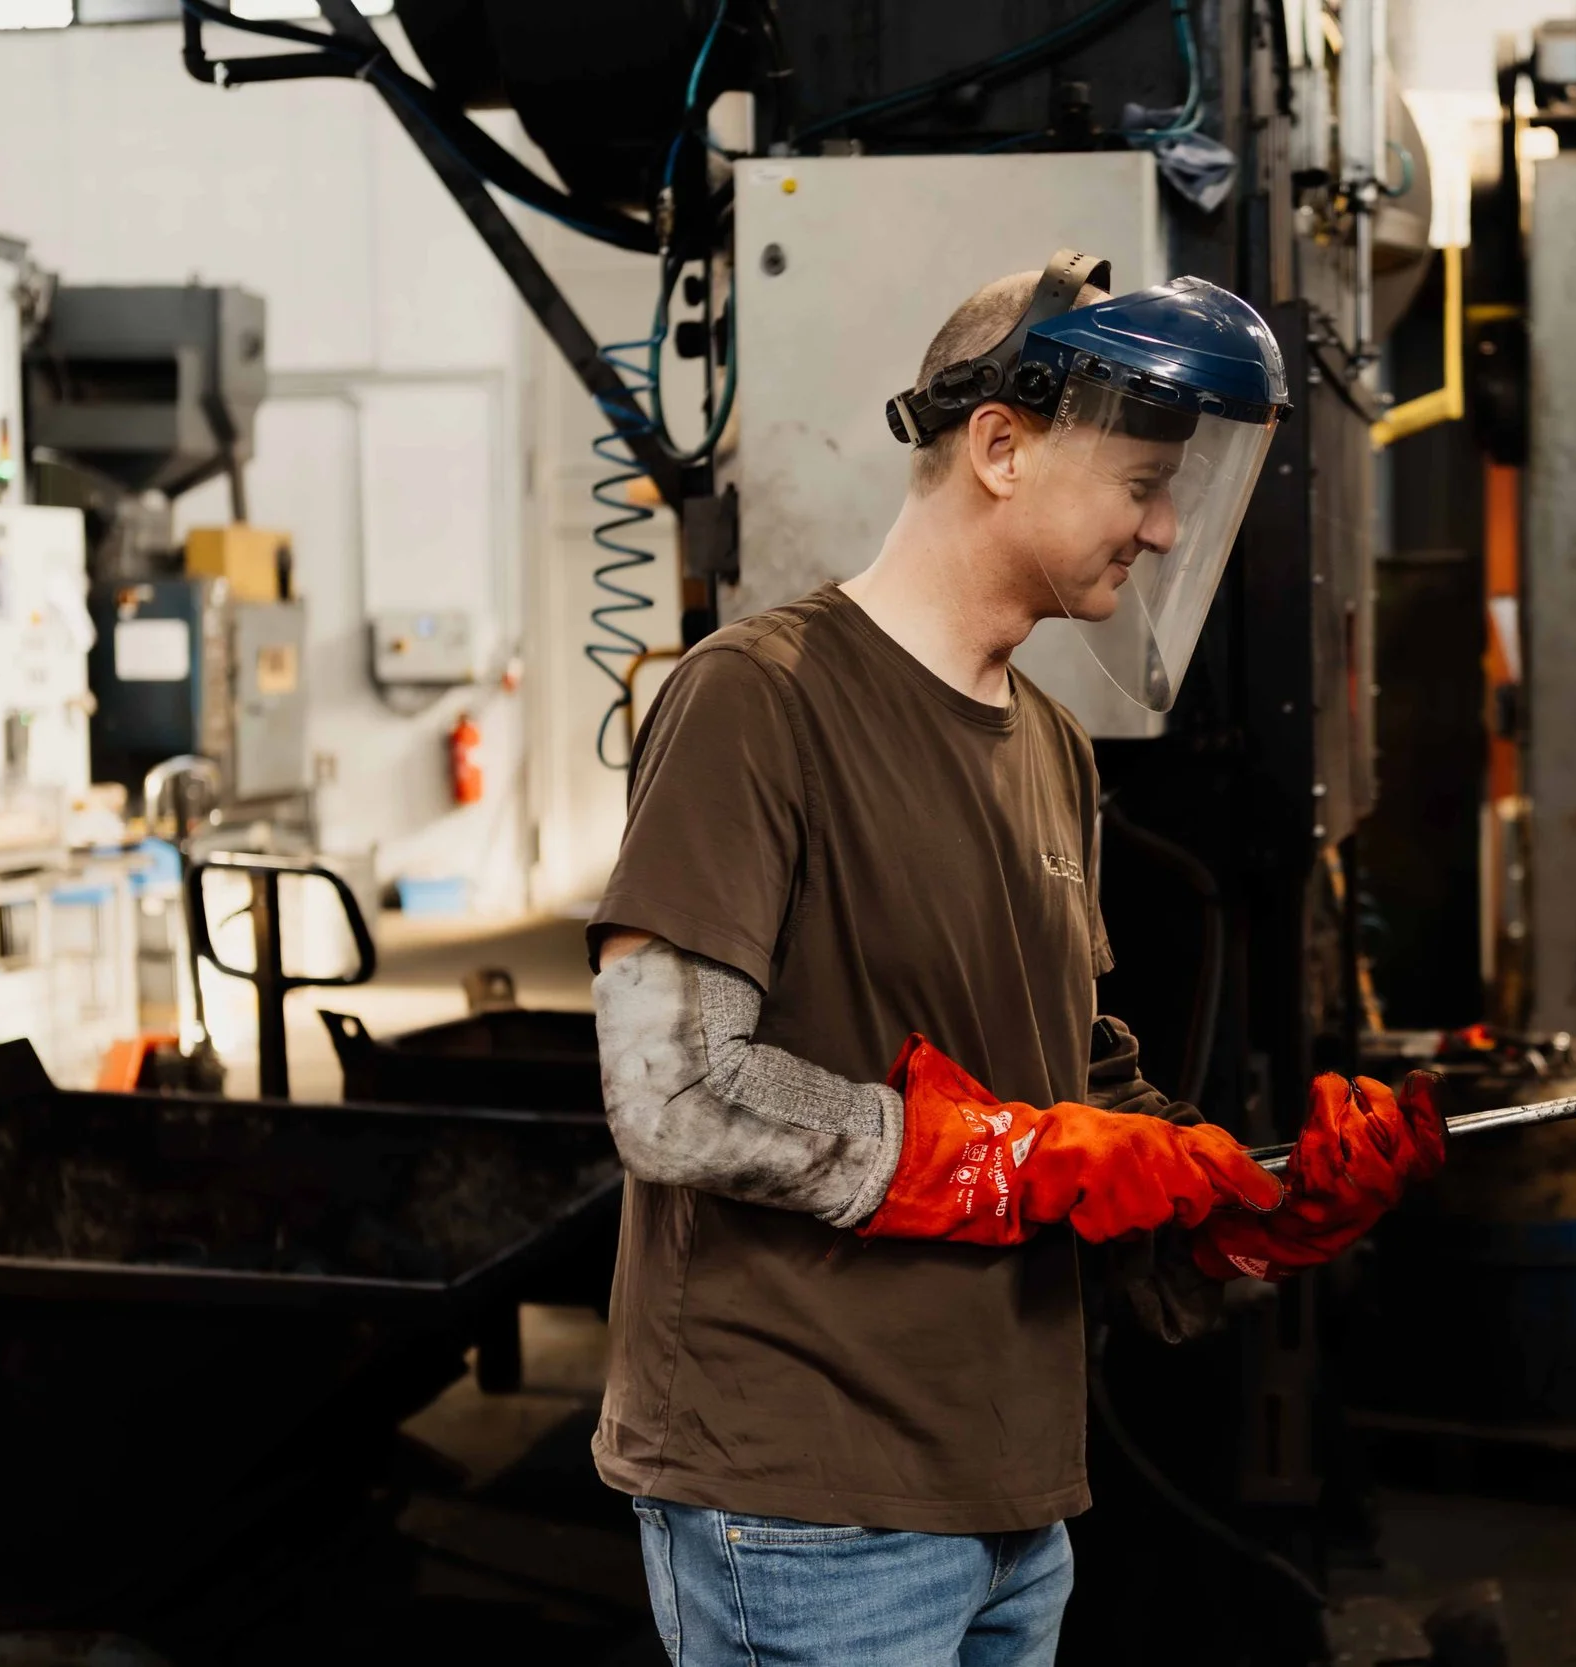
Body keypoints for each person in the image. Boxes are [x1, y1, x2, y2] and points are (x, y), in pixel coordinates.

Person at [586, 250, 1447, 1667]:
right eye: (1139, 483)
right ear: (1001, 444)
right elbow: (670, 1089)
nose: (1166, 529)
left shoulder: (1048, 745)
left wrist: (1245, 1202)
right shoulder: (760, 698)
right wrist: (1005, 1158)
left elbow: (1067, 1088)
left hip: (1008, 1495)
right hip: (806, 1502)